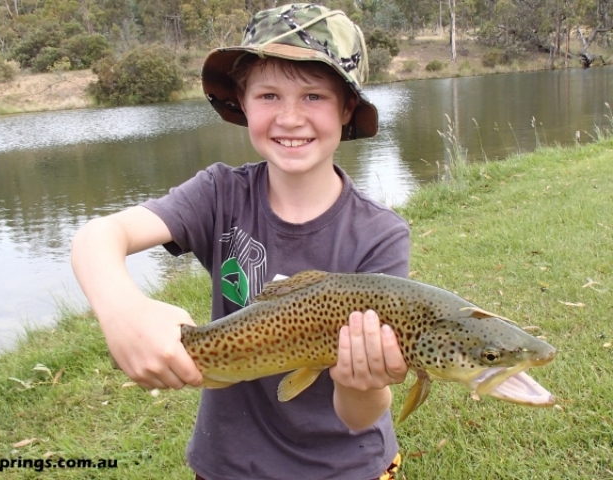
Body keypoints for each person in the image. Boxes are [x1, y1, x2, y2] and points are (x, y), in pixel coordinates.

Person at [71, 3, 411, 479]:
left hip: (347, 468)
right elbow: (98, 236)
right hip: (227, 465)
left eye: (313, 96)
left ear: (347, 107)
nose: (290, 118)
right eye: (269, 95)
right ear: (243, 103)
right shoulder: (219, 194)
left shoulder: (380, 236)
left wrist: (363, 382)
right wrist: (121, 309)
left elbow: (359, 415)